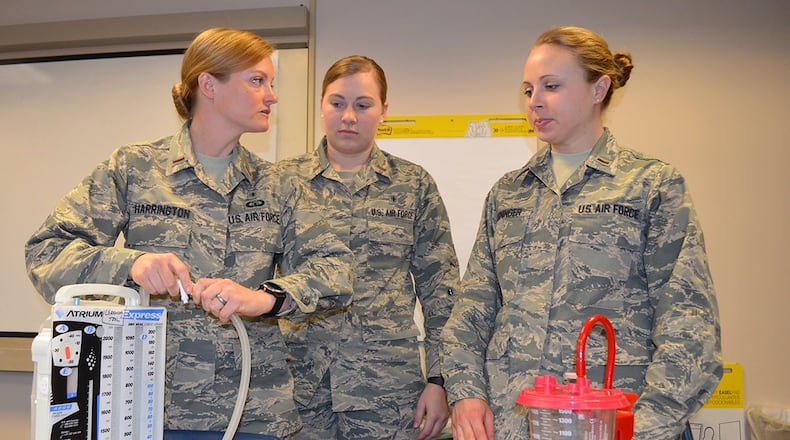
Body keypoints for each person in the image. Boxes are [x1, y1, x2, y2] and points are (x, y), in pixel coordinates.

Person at [25, 27, 353, 439]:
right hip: (147, 409)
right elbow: (47, 252)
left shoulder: (279, 186)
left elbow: (337, 270)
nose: (272, 96)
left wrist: (263, 298)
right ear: (209, 84)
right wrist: (134, 264)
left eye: (271, 83)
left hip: (254, 412)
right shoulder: (134, 169)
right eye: (257, 81)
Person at [441, 26, 722, 440]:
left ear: (598, 89)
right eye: (528, 89)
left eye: (551, 86)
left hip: (616, 426)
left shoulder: (651, 185)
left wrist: (644, 428)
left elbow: (689, 323)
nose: (534, 100)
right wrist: (466, 394)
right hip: (515, 422)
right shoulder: (508, 194)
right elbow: (473, 311)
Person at [276, 55, 459, 440]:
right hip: (299, 386)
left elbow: (441, 289)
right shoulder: (280, 182)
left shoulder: (413, 184)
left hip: (387, 389)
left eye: (363, 105)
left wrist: (440, 380)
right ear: (322, 105)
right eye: (337, 103)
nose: (348, 117)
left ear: (383, 111)